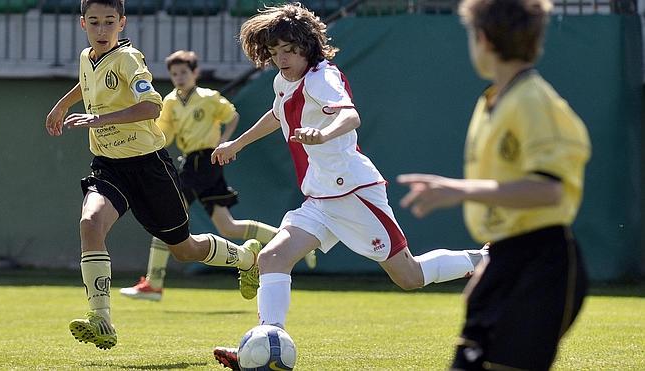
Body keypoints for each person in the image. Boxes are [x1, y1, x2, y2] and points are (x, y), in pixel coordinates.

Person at [210, 3, 488, 368]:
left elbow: (350, 114)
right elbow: (277, 112)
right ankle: (264, 345)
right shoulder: (285, 80)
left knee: (410, 276)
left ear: (307, 46)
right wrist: (237, 143)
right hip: (319, 198)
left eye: (289, 50)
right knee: (272, 257)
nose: (281, 58)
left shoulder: (323, 78)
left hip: (353, 193)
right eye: (275, 52)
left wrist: (322, 132)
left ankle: (485, 260)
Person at [45, 0, 263, 350]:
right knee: (90, 223)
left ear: (122, 23)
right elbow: (89, 83)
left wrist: (97, 119)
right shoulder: (88, 57)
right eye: (95, 22)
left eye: (109, 22)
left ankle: (248, 258)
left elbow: (152, 106)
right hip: (108, 166)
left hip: (149, 166)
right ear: (82, 23)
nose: (102, 30)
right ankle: (101, 319)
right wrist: (63, 103)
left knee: (185, 249)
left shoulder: (130, 58)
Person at [398, 0, 591, 369]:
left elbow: (549, 190)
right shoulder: (493, 100)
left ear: (482, 39)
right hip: (505, 258)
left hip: (543, 263)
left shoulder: (535, 102)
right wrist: (494, 259)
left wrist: (457, 191)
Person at [119, 50, 316, 302]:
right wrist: (142, 137)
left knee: (165, 216)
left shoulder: (208, 97)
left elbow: (232, 115)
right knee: (228, 226)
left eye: (184, 72)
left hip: (205, 161)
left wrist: (225, 141)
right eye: (174, 73)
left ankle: (154, 284)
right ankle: (297, 242)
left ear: (195, 73)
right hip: (193, 161)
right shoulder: (168, 102)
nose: (179, 77)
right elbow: (163, 135)